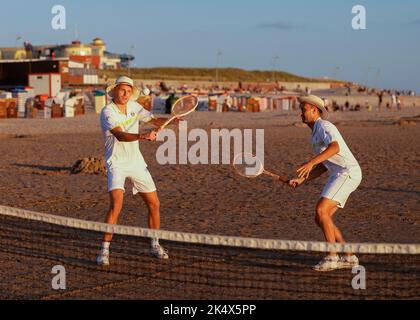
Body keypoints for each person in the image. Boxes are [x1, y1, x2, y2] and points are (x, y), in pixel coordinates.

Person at [97, 76, 179, 266]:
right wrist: (144, 136)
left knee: (154, 204)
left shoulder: (135, 107)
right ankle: (104, 250)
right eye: (122, 90)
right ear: (115, 91)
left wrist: (173, 120)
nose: (125, 94)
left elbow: (153, 120)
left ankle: (155, 244)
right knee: (116, 204)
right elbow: (120, 135)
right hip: (116, 163)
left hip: (136, 163)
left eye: (128, 91)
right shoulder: (107, 112)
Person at [288, 95, 362, 272]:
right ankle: (349, 256)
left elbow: (334, 148)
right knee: (321, 217)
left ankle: (332, 257)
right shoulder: (315, 134)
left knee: (321, 210)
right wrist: (302, 179)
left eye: (304, 109)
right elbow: (324, 165)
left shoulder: (324, 126)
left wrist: (310, 162)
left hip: (348, 172)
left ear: (315, 110)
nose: (301, 113)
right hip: (338, 173)